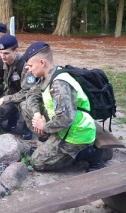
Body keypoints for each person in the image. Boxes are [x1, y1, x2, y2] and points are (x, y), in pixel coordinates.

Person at [21, 41, 104, 172]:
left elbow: (65, 119)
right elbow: (31, 95)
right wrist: (37, 115)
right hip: (63, 127)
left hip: (76, 133)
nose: (28, 69)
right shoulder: (48, 75)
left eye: (31, 66)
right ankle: (50, 142)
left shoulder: (59, 84)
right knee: (26, 106)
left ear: (42, 63)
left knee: (37, 163)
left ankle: (88, 153)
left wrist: (43, 126)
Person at [0, 35, 34, 140]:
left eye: (6, 53)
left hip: (27, 97)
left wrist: (4, 99)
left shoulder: (26, 65)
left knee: (26, 106)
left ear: (16, 51)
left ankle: (28, 126)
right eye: (0, 53)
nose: (3, 56)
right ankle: (13, 116)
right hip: (11, 94)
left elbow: (28, 91)